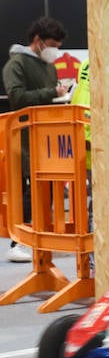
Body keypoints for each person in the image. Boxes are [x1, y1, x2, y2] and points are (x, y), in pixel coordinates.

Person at [3, 16, 69, 262]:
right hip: (22, 138)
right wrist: (52, 93)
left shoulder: (49, 66)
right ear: (38, 41)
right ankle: (17, 241)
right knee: (25, 192)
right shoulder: (17, 63)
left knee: (48, 191)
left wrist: (58, 94)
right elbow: (17, 98)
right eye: (53, 44)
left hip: (47, 137)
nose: (56, 50)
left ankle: (39, 236)